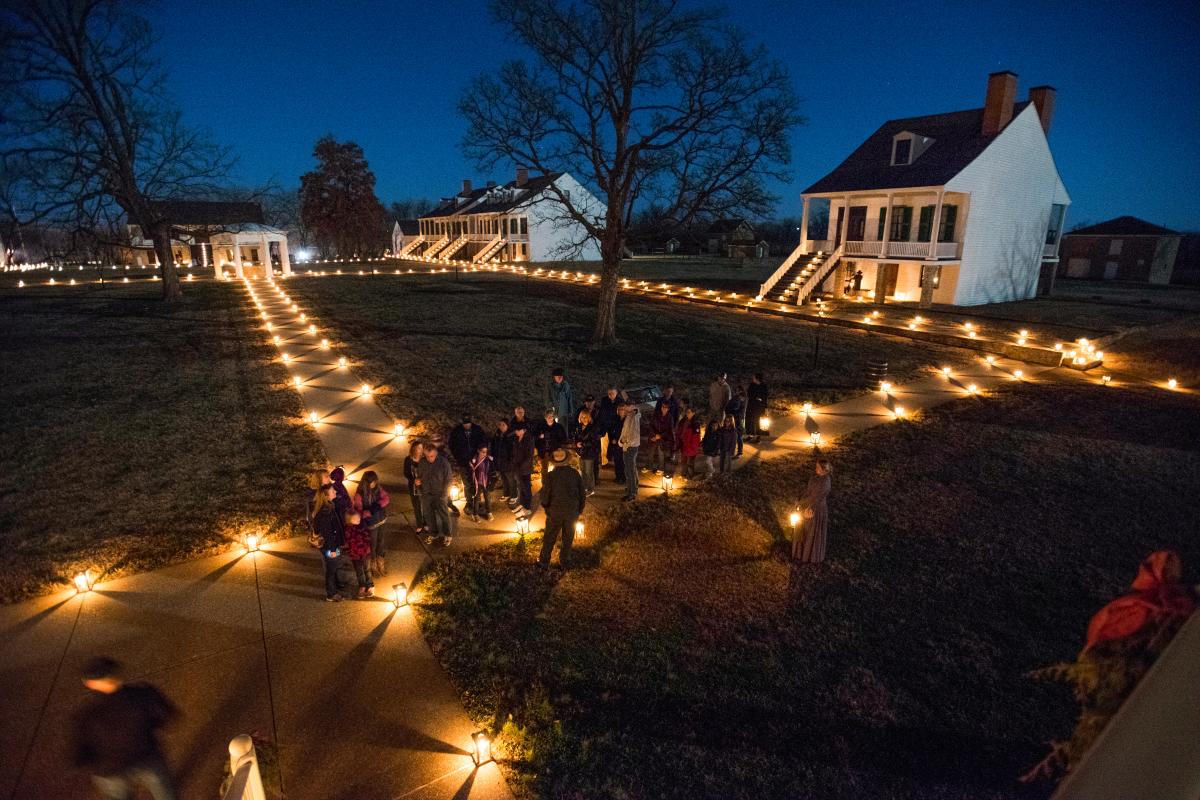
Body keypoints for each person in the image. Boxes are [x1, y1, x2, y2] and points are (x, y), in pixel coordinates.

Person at [72, 656, 178, 800]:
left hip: (110, 772)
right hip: (147, 756)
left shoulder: (85, 716)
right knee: (164, 792)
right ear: (117, 674)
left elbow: (76, 756)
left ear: (89, 683)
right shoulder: (144, 693)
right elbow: (168, 715)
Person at [538, 449, 586, 567]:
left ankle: (544, 561)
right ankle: (565, 560)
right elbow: (582, 493)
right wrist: (579, 509)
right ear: (567, 460)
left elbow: (545, 495)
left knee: (550, 536)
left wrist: (546, 507)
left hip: (555, 511)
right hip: (572, 511)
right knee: (568, 537)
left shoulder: (550, 476)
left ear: (554, 461)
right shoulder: (575, 474)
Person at [311, 483, 347, 601]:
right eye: (332, 491)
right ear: (326, 496)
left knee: (334, 566)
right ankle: (331, 594)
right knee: (331, 569)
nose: (335, 492)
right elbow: (328, 534)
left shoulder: (329, 507)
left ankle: (335, 587)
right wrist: (333, 550)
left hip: (333, 545)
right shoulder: (325, 513)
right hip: (331, 547)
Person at [793, 460, 832, 563]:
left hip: (815, 509)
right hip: (807, 504)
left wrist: (801, 503)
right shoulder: (815, 477)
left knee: (811, 533)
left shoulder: (825, 483)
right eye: (816, 466)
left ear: (824, 470)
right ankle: (800, 552)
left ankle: (809, 555)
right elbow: (808, 491)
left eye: (818, 467)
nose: (816, 469)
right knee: (803, 529)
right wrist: (800, 498)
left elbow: (814, 498)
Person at [353, 470, 390, 577]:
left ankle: (380, 562)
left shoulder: (378, 489)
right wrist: (368, 512)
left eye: (375, 481)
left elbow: (386, 498)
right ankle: (373, 564)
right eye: (372, 482)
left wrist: (379, 504)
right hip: (371, 524)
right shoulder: (360, 494)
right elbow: (358, 510)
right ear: (366, 482)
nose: (374, 484)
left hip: (381, 520)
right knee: (372, 544)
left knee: (381, 542)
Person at [448, 415, 486, 517]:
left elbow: (483, 442)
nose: (467, 425)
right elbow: (452, 445)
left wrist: (479, 455)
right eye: (465, 424)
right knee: (467, 484)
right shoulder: (457, 431)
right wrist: (458, 457)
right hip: (463, 462)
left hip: (476, 462)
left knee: (477, 483)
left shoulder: (477, 430)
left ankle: (478, 503)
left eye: (468, 423)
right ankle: (469, 503)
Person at [417, 444, 454, 547]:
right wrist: (418, 482)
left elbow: (448, 480)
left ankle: (448, 535)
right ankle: (433, 534)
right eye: (427, 456)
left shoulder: (443, 463)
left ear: (436, 453)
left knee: (444, 515)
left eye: (432, 456)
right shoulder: (422, 462)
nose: (430, 459)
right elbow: (419, 476)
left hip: (440, 494)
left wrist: (444, 495)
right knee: (429, 515)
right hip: (426, 493)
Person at [343, 510, 374, 598]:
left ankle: (370, 585)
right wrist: (348, 551)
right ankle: (362, 586)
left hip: (365, 553)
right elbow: (347, 542)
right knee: (359, 571)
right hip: (355, 555)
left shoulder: (363, 526)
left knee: (367, 569)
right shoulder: (347, 530)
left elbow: (367, 538)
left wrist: (367, 549)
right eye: (356, 518)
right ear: (349, 520)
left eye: (358, 518)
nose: (358, 519)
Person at [533, 407, 568, 478]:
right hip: (544, 452)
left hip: (555, 451)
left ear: (553, 417)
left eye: (551, 416)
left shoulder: (559, 427)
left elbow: (564, 438)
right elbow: (534, 437)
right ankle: (545, 483)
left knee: (556, 468)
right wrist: (539, 437)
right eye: (548, 416)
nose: (549, 418)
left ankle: (555, 482)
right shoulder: (540, 426)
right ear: (545, 417)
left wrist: (559, 446)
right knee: (544, 469)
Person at [573, 409, 601, 496]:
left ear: (589, 417)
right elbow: (576, 438)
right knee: (583, 471)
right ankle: (584, 487)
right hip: (581, 452)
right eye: (582, 417)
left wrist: (583, 444)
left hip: (590, 452)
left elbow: (594, 441)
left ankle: (591, 489)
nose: (584, 419)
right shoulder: (579, 427)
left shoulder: (593, 428)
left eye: (585, 417)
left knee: (589, 471)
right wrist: (576, 443)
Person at [510, 424, 536, 517]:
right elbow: (514, 452)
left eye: (518, 430)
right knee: (520, 486)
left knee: (526, 487)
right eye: (516, 430)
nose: (516, 432)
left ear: (523, 430)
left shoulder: (529, 439)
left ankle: (527, 508)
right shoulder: (516, 438)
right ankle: (522, 504)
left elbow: (529, 455)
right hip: (517, 467)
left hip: (525, 468)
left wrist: (521, 466)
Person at [618, 401, 641, 501]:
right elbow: (625, 431)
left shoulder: (634, 417)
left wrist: (625, 442)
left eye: (625, 407)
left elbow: (634, 434)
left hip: (630, 447)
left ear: (631, 406)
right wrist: (621, 441)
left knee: (629, 470)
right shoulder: (630, 416)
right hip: (628, 446)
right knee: (631, 468)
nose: (624, 410)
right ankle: (633, 487)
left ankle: (632, 492)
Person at [403, 442, 427, 536]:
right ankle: (419, 524)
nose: (420, 450)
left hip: (424, 486)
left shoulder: (424, 459)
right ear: (413, 449)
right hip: (413, 487)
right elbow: (406, 473)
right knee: (416, 505)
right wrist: (414, 480)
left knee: (425, 505)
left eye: (421, 448)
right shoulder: (408, 459)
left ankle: (426, 523)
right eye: (418, 448)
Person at [647, 401, 676, 475]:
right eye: (663, 407)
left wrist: (660, 436)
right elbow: (651, 425)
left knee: (661, 453)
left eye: (666, 407)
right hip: (654, 436)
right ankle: (649, 466)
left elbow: (669, 430)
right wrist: (654, 435)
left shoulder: (670, 418)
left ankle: (661, 468)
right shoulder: (656, 415)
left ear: (668, 409)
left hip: (663, 438)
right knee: (651, 452)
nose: (664, 409)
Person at [595, 387, 621, 468]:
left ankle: (615, 461)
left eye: (612, 393)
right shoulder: (604, 400)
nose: (610, 395)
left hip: (615, 426)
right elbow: (601, 413)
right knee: (604, 445)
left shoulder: (620, 401)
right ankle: (604, 462)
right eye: (609, 393)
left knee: (614, 444)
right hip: (605, 426)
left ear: (616, 393)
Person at [490, 419, 514, 501]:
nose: (501, 426)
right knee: (504, 479)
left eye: (503, 425)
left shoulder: (511, 435)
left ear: (507, 425)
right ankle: (506, 494)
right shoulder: (497, 434)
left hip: (508, 462)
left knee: (511, 480)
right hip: (500, 462)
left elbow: (513, 450)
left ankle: (514, 495)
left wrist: (511, 461)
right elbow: (493, 447)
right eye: (500, 424)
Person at [546, 367, 576, 433]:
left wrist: (570, 410)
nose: (560, 378)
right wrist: (551, 409)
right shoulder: (550, 386)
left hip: (563, 412)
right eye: (558, 377)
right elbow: (548, 398)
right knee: (554, 429)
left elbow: (569, 398)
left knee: (564, 429)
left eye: (561, 377)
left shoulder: (566, 385)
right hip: (554, 412)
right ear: (554, 377)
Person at [676, 406, 702, 479]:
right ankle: (684, 475)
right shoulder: (683, 421)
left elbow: (696, 438)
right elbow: (679, 431)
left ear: (693, 413)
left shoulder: (695, 423)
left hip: (691, 446)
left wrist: (692, 447)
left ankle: (690, 477)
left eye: (689, 412)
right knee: (683, 462)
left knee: (690, 463)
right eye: (686, 412)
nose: (687, 414)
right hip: (684, 445)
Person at [469, 444, 493, 522]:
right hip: (477, 481)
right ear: (478, 451)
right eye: (483, 451)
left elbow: (491, 470)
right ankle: (475, 514)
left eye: (486, 452)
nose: (484, 453)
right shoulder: (474, 460)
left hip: (485, 481)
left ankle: (489, 512)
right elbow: (471, 470)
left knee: (487, 497)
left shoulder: (488, 459)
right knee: (476, 498)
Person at [746, 373, 769, 442]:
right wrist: (756, 397)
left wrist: (766, 408)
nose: (753, 379)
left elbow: (765, 398)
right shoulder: (752, 385)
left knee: (758, 421)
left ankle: (758, 436)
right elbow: (749, 394)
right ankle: (751, 435)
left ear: (757, 379)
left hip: (759, 407)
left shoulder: (763, 386)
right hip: (751, 405)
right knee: (750, 421)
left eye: (754, 378)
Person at [727, 385, 747, 458]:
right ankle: (732, 451)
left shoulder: (742, 398)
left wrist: (731, 409)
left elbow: (736, 408)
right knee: (733, 434)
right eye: (736, 390)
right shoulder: (736, 398)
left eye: (738, 390)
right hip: (734, 418)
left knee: (738, 436)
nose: (737, 392)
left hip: (738, 419)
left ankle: (739, 452)